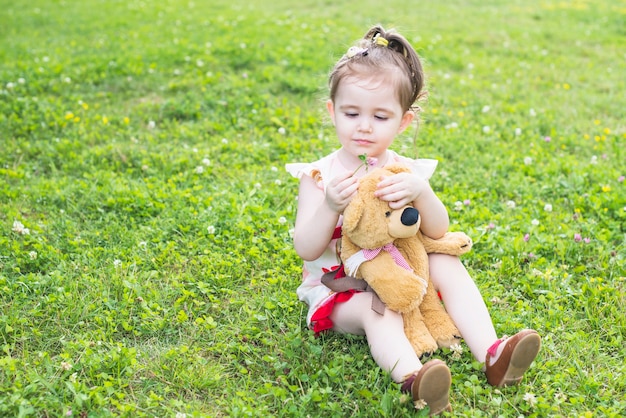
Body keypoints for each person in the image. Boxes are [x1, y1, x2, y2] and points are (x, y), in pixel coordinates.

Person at [286, 25, 541, 415]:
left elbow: (437, 231)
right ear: (332, 111)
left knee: (446, 259)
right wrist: (329, 207)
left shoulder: (404, 171)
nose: (364, 126)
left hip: (405, 272)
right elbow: (306, 248)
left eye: (381, 116)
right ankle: (415, 379)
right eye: (352, 113)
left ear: (403, 122)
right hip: (343, 288)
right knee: (378, 309)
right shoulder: (319, 176)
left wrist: (421, 191)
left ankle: (492, 352)